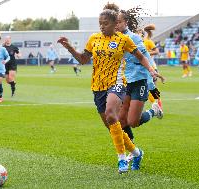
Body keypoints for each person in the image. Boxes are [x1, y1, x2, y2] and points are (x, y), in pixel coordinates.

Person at [58, 9, 158, 174]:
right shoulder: (94, 39)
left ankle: (121, 159)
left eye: (106, 23)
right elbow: (83, 59)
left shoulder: (123, 39)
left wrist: (152, 71)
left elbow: (141, 56)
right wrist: (69, 46)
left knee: (112, 114)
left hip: (117, 83)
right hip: (98, 86)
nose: (102, 27)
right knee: (112, 126)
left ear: (114, 24)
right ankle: (136, 153)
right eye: (100, 24)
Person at [115, 8, 164, 164]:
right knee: (121, 121)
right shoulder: (112, 39)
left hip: (139, 81)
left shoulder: (134, 38)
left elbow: (145, 56)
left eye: (119, 22)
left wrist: (152, 72)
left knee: (133, 122)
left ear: (125, 22)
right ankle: (134, 152)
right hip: (124, 83)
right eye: (114, 22)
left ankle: (153, 111)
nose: (116, 25)